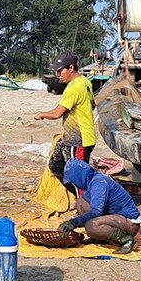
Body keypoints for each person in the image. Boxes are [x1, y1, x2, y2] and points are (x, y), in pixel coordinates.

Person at [34, 51, 95, 194]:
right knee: (55, 165)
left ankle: (86, 204)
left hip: (80, 140)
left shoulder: (74, 87)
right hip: (72, 137)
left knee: (77, 177)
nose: (57, 74)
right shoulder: (86, 82)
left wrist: (41, 114)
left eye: (60, 71)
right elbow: (92, 105)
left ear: (71, 68)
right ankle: (78, 195)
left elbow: (56, 114)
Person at [59, 159, 141, 253]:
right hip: (115, 217)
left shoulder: (99, 183)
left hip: (129, 223)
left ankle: (127, 240)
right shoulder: (92, 181)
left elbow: (96, 211)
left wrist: (74, 222)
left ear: (78, 177)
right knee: (80, 202)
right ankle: (98, 236)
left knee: (91, 226)